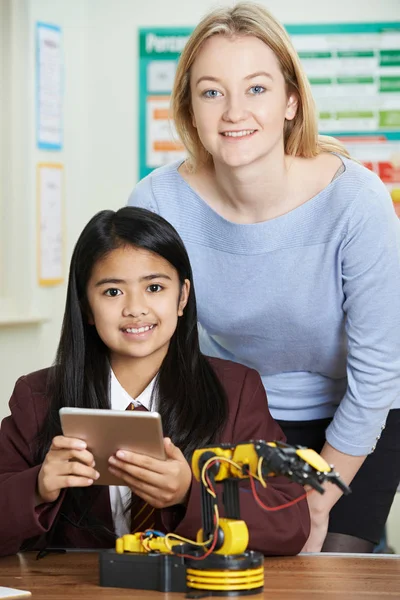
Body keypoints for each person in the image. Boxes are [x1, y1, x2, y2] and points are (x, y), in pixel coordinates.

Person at [128, 2, 400, 553]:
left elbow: (378, 373)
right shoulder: (158, 201)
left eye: (256, 89)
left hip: (357, 418)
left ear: (290, 102)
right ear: (191, 109)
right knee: (233, 564)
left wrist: (317, 500)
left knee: (330, 570)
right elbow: (139, 334)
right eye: (211, 92)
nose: (233, 112)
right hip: (233, 421)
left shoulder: (357, 202)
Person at [0, 206, 310, 558]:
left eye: (155, 287)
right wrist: (38, 488)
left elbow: (291, 522)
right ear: (86, 306)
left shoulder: (236, 391)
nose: (135, 308)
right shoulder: (38, 396)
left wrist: (189, 495)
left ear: (182, 296)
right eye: (112, 292)